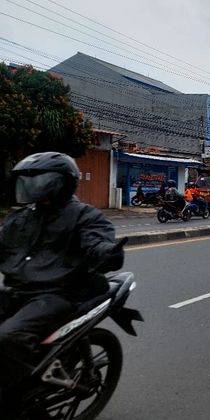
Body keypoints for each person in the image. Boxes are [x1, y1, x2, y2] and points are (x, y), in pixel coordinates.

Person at [0, 152, 124, 400]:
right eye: (29, 181)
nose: (33, 187)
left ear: (62, 183)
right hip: (17, 290)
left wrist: (104, 252)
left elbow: (97, 240)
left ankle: (19, 394)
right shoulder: (21, 217)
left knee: (7, 337)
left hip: (58, 293)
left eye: (41, 181)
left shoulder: (84, 216)